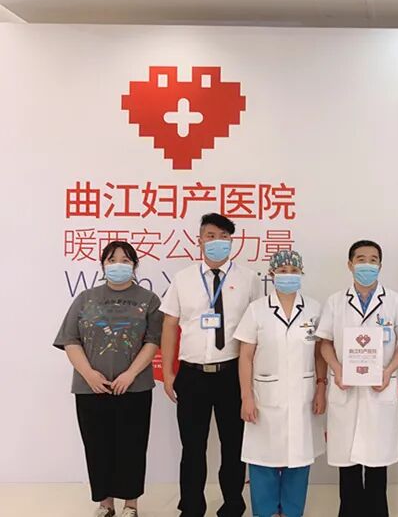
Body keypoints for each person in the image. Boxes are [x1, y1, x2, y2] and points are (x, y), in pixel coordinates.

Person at [160, 213, 263, 517]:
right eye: (211, 236)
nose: (217, 242)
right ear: (199, 240)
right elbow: (169, 325)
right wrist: (168, 372)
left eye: (224, 237)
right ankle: (191, 507)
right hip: (192, 375)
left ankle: (233, 505)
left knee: (233, 446)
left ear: (232, 241)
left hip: (231, 374)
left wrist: (251, 382)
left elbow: (258, 329)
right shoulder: (183, 279)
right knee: (192, 448)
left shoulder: (249, 279)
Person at [54, 241, 162, 517]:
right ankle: (105, 503)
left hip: (134, 388)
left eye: (125, 260)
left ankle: (130, 505)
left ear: (135, 265)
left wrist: (130, 374)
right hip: (91, 388)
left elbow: (152, 341)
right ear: (103, 265)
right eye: (112, 260)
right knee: (97, 446)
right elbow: (70, 339)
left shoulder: (149, 300)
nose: (118, 265)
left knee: (132, 446)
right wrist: (89, 374)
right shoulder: (85, 298)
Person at [316, 240, 398, 517]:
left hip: (378, 389)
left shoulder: (395, 301)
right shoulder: (335, 301)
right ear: (350, 265)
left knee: (376, 467)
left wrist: (388, 370)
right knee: (347, 468)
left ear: (380, 265)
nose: (367, 265)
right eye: (361, 259)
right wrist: (337, 369)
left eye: (373, 260)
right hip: (345, 389)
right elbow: (324, 343)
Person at [235, 250, 327, 517]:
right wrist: (246, 397)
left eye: (293, 271)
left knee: (299, 458)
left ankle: (291, 512)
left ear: (301, 273)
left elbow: (319, 353)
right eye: (283, 271)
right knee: (262, 459)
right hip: (265, 396)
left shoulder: (313, 308)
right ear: (272, 274)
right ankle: (265, 512)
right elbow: (245, 356)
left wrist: (321, 387)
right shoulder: (257, 310)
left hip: (303, 396)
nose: (288, 275)